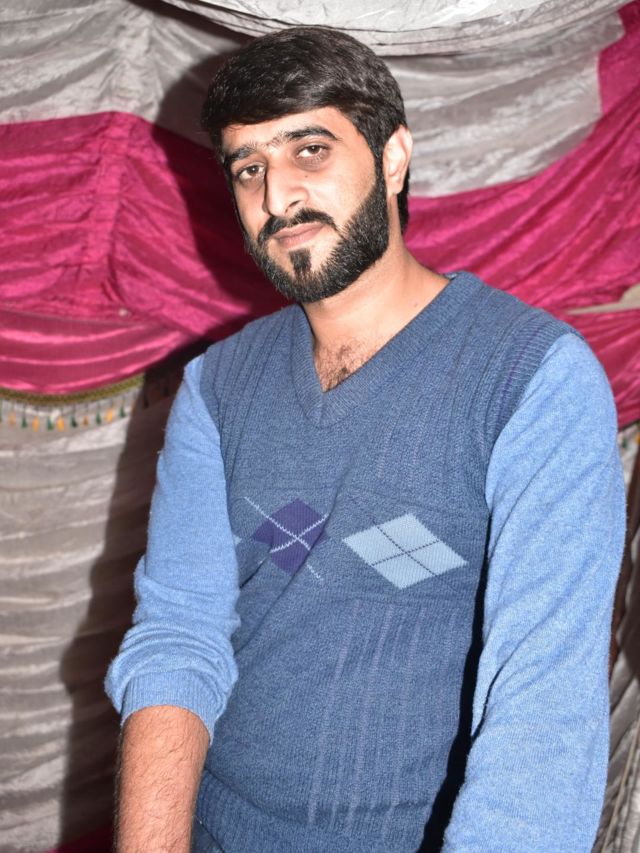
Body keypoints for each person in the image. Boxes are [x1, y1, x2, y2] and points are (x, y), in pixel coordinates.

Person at [105, 26, 625, 853]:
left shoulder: (533, 377)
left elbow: (543, 709)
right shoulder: (215, 386)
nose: (278, 196)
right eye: (249, 167)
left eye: (309, 150)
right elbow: (179, 634)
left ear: (393, 158)